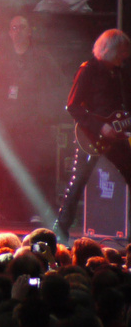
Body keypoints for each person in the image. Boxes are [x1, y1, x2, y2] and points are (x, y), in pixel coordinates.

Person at [54, 28, 131, 243]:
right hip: (90, 136)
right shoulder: (88, 70)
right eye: (121, 52)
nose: (124, 57)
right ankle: (60, 229)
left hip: (115, 137)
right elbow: (73, 107)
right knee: (78, 182)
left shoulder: (118, 73)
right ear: (109, 50)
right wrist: (100, 127)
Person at [0, 13, 63, 222]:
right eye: (14, 28)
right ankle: (8, 211)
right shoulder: (3, 58)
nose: (18, 31)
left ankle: (39, 210)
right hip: (11, 121)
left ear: (30, 31)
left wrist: (46, 111)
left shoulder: (42, 57)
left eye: (22, 27)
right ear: (9, 33)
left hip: (35, 122)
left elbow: (58, 84)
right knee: (10, 165)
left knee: (38, 165)